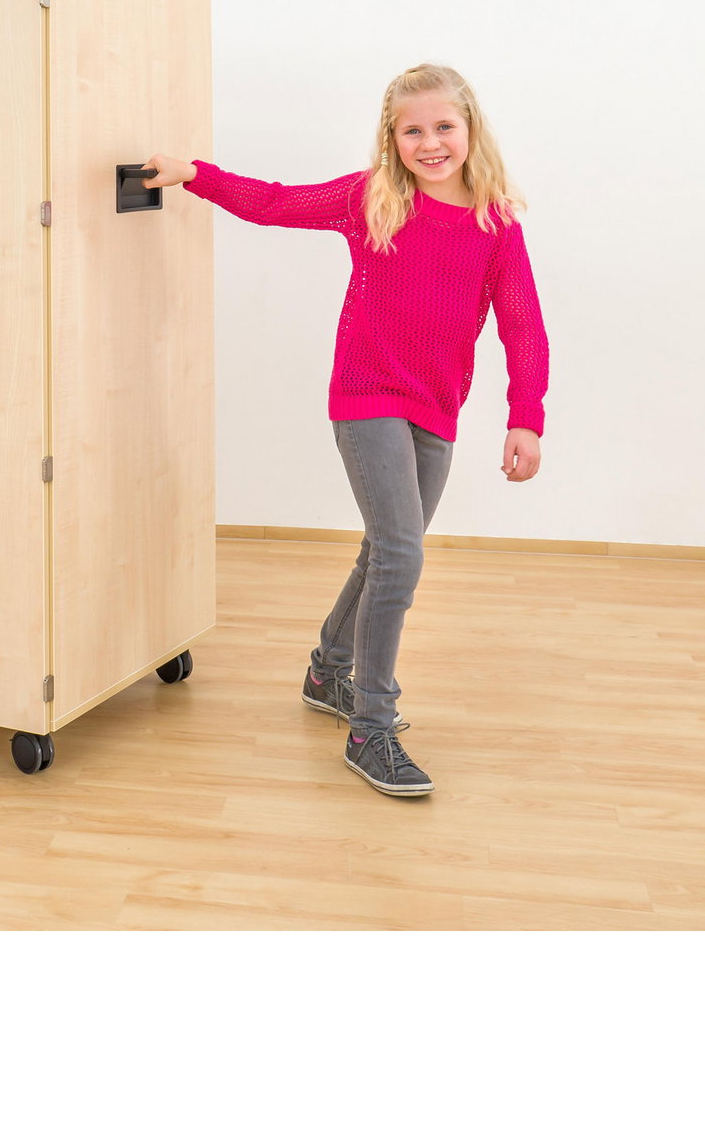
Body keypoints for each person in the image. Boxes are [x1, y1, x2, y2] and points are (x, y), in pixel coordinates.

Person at [142, 62, 549, 797]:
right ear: (392, 139)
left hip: (437, 406)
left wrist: (526, 417)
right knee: (401, 553)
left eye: (444, 126)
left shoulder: (495, 225)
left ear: (470, 129)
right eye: (412, 130)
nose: (430, 143)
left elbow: (523, 326)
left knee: (387, 549)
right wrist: (194, 174)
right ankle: (371, 727)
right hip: (366, 395)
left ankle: (328, 672)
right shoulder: (372, 199)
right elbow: (274, 203)